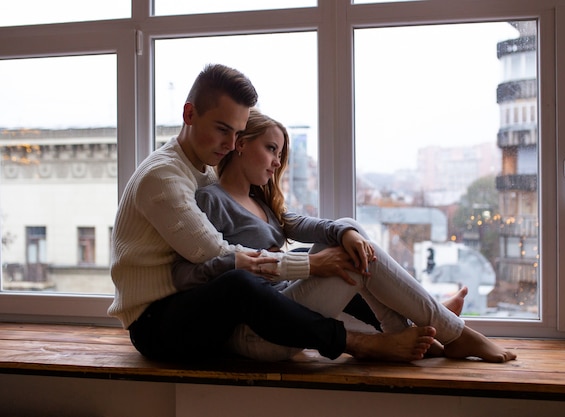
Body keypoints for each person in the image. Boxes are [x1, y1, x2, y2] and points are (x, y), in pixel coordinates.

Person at [108, 63, 437, 364]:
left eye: (237, 133)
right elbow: (219, 255)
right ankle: (358, 343)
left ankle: (416, 320)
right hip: (157, 324)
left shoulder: (203, 168)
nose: (230, 143)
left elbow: (280, 221)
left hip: (197, 304)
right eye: (222, 129)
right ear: (189, 114)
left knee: (330, 252)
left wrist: (332, 239)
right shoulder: (163, 177)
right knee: (240, 282)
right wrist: (309, 265)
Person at [172, 108, 517, 363]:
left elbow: (318, 226)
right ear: (241, 145)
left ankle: (428, 329)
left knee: (348, 243)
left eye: (280, 153)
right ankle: (453, 331)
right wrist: (320, 255)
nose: (277, 162)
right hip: (260, 331)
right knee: (348, 259)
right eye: (271, 149)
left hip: (293, 318)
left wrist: (349, 230)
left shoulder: (263, 203)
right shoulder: (211, 200)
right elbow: (194, 274)